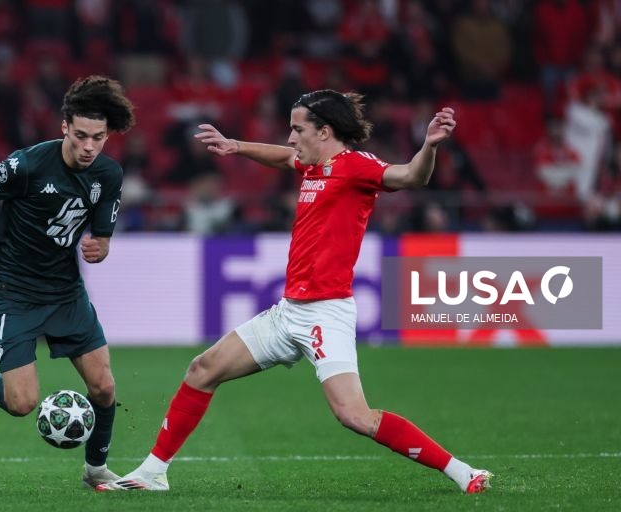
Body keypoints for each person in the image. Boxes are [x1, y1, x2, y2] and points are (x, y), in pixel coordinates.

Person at [99, 89, 492, 493]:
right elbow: (284, 157)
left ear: (324, 131)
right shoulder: (311, 165)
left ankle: (462, 472)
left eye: (297, 129)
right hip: (288, 312)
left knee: (354, 415)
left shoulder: (356, 166)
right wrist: (236, 146)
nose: (290, 138)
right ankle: (153, 472)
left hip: (326, 313)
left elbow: (411, 176)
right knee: (202, 370)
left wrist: (429, 146)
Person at [0, 76, 135, 489]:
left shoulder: (109, 174)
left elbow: (102, 238)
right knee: (22, 403)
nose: (89, 146)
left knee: (104, 387)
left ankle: (95, 471)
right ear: (65, 126)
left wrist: (101, 247)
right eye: (81, 135)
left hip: (66, 292)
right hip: (15, 292)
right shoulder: (28, 165)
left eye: (98, 138)